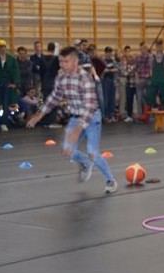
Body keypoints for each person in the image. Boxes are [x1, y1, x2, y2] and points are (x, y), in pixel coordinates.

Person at [26, 46, 118, 195]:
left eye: (66, 61)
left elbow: (90, 107)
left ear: (75, 62)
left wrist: (77, 130)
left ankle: (110, 181)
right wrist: (40, 114)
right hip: (75, 118)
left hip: (91, 117)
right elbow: (54, 97)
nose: (62, 65)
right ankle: (85, 162)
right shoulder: (61, 78)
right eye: (61, 61)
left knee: (93, 152)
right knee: (67, 151)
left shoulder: (85, 78)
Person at [0, 39, 20, 132]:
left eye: (3, 47)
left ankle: (4, 123)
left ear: (5, 47)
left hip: (7, 85)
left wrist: (15, 84)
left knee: (6, 104)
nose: (2, 49)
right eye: (0, 47)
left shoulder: (12, 59)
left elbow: (16, 72)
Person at [146, 39, 164, 110]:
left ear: (163, 46)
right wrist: (151, 78)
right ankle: (152, 113)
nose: (159, 48)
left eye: (161, 46)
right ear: (156, 46)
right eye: (158, 46)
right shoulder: (151, 56)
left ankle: (163, 111)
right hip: (154, 79)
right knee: (151, 97)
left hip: (163, 79)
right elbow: (150, 68)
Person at [134, 41, 152, 121]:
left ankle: (148, 115)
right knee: (139, 98)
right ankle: (140, 115)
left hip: (148, 79)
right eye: (142, 48)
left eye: (145, 48)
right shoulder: (138, 57)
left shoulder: (150, 56)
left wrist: (152, 78)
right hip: (141, 79)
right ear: (140, 49)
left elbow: (151, 68)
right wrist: (137, 79)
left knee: (148, 98)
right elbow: (136, 69)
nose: (144, 49)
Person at [101, 46, 119, 121]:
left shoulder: (113, 60)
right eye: (108, 52)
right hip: (105, 80)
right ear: (105, 53)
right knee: (106, 98)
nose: (109, 54)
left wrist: (110, 70)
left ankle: (111, 114)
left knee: (112, 98)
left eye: (110, 52)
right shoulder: (102, 60)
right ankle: (106, 115)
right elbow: (103, 70)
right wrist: (110, 70)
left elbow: (117, 69)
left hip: (112, 80)